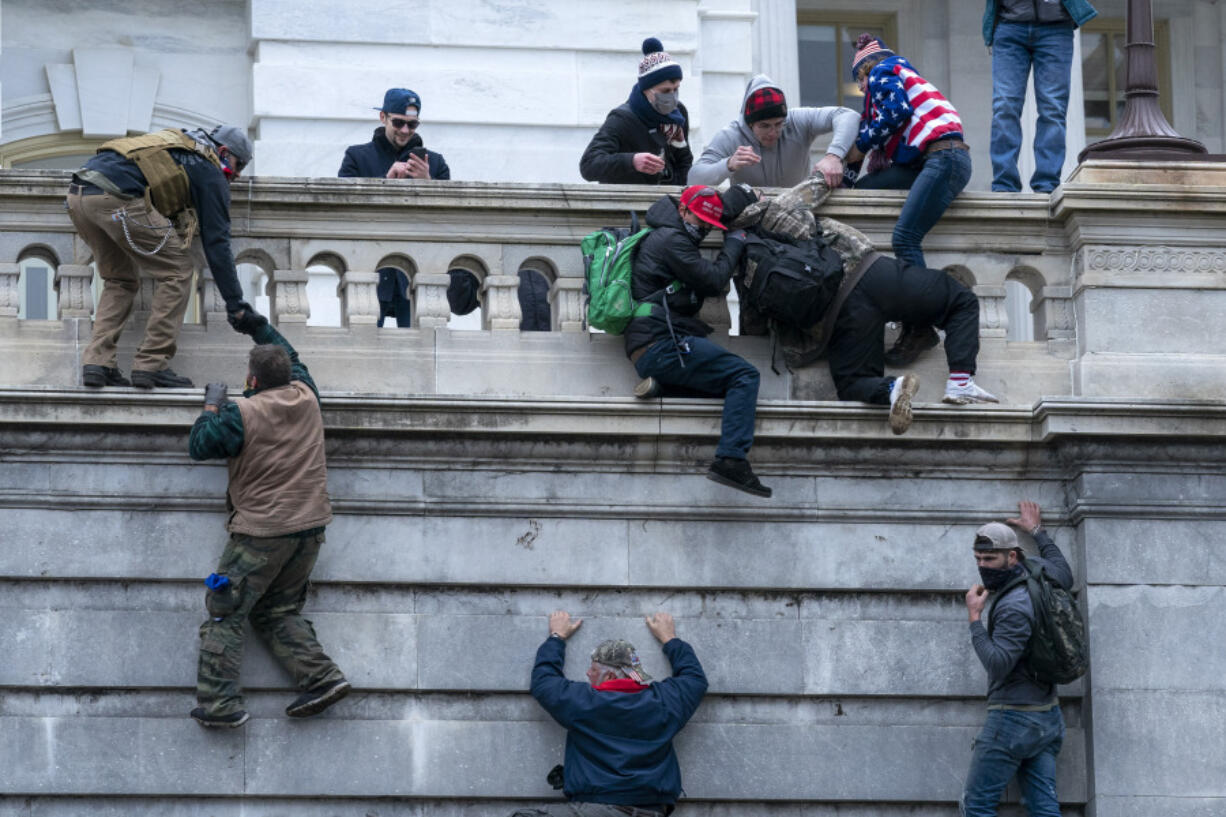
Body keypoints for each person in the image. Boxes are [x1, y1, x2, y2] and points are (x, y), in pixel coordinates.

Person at [724, 178, 998, 437]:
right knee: (960, 300)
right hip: (868, 273)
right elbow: (822, 183)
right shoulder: (778, 207)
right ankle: (960, 381)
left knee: (852, 384)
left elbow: (755, 322)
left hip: (837, 318)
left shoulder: (741, 255)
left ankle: (893, 388)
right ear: (755, 200)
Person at [187, 306, 349, 727]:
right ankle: (322, 678)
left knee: (225, 611)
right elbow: (291, 355)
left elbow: (201, 445)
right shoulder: (308, 394)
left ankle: (219, 705)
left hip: (261, 532)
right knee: (276, 610)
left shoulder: (241, 413)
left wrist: (211, 405)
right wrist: (258, 326)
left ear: (251, 381)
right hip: (310, 528)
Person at [67, 125, 256, 389]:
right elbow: (217, 242)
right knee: (177, 271)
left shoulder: (174, 143)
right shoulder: (210, 168)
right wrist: (236, 303)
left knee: (120, 279)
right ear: (223, 152)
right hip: (117, 198)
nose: (236, 175)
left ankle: (98, 363)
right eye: (239, 165)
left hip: (78, 197)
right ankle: (151, 365)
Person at [627, 185, 769, 498]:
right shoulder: (672, 240)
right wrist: (733, 242)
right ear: (682, 210)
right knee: (744, 376)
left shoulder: (672, 235)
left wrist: (748, 195)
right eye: (699, 219)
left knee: (722, 385)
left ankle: (665, 387)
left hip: (653, 347)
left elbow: (721, 207)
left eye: (709, 224)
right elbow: (716, 279)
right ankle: (731, 459)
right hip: (662, 343)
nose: (703, 228)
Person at [846, 34, 971, 367]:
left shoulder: (883, 71)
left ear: (866, 69)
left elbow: (894, 113)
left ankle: (920, 325)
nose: (861, 87)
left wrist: (861, 144)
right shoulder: (899, 76)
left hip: (944, 158)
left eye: (858, 78)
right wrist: (847, 176)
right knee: (865, 190)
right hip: (929, 161)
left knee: (905, 236)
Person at [513, 610, 707, 817]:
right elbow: (695, 680)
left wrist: (556, 637)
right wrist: (670, 638)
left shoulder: (582, 702)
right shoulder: (664, 702)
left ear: (611, 675)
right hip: (653, 811)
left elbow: (544, 682)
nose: (588, 673)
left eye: (594, 669)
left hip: (598, 810)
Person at [961, 501, 1074, 816]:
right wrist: (1037, 531)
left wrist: (974, 619)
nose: (983, 565)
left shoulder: (1012, 605)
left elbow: (998, 664)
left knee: (977, 805)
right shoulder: (1039, 572)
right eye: (978, 559)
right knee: (1043, 806)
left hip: (1012, 718)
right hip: (1048, 716)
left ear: (1011, 556)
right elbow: (1064, 571)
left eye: (990, 558)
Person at [985, 0, 1099, 193]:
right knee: (1004, 106)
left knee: (1053, 108)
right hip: (1009, 26)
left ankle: (1046, 185)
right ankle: (1004, 185)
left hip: (1056, 29)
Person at [687, 74, 859, 190]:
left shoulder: (796, 120)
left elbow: (848, 116)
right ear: (749, 123)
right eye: (764, 126)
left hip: (797, 212)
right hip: (750, 217)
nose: (773, 132)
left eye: (778, 124)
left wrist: (834, 156)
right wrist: (728, 164)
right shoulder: (731, 135)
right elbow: (694, 179)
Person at [579, 38, 692, 186]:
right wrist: (632, 161)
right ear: (647, 89)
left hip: (665, 202)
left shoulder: (678, 113)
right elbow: (589, 165)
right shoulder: (621, 119)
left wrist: (676, 194)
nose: (672, 96)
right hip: (626, 204)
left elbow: (684, 160)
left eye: (676, 89)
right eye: (665, 91)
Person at [338, 87, 451, 180]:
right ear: (383, 117)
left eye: (412, 124)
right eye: (398, 122)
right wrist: (386, 180)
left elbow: (449, 204)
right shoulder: (356, 157)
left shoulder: (437, 163)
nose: (405, 130)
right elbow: (343, 201)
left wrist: (428, 183)